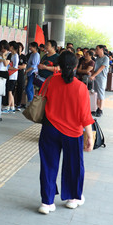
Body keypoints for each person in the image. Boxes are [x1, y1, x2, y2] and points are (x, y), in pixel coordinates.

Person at [38, 51, 94, 215]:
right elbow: (85, 116)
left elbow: (41, 97)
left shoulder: (50, 81)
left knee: (48, 165)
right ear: (76, 66)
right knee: (74, 165)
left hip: (50, 129)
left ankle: (46, 202)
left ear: (59, 66)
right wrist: (89, 136)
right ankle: (73, 198)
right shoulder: (81, 87)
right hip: (73, 132)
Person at [89, 45, 109, 117]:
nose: (96, 50)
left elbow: (102, 68)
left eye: (97, 49)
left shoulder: (106, 58)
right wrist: (92, 74)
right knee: (97, 93)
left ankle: (101, 109)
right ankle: (98, 108)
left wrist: (93, 75)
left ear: (102, 49)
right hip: (96, 77)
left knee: (101, 93)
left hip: (101, 78)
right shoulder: (97, 58)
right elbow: (95, 68)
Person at [0, 40, 11, 111]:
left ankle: (5, 104)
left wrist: (3, 57)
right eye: (2, 48)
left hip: (4, 72)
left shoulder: (9, 54)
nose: (3, 49)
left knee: (5, 89)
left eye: (4, 48)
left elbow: (6, 64)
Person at [5, 41, 20, 113]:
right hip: (11, 75)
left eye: (9, 46)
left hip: (12, 76)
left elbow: (15, 67)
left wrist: (7, 67)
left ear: (12, 47)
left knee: (9, 91)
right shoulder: (11, 55)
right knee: (10, 91)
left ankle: (8, 106)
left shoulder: (15, 56)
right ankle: (12, 107)